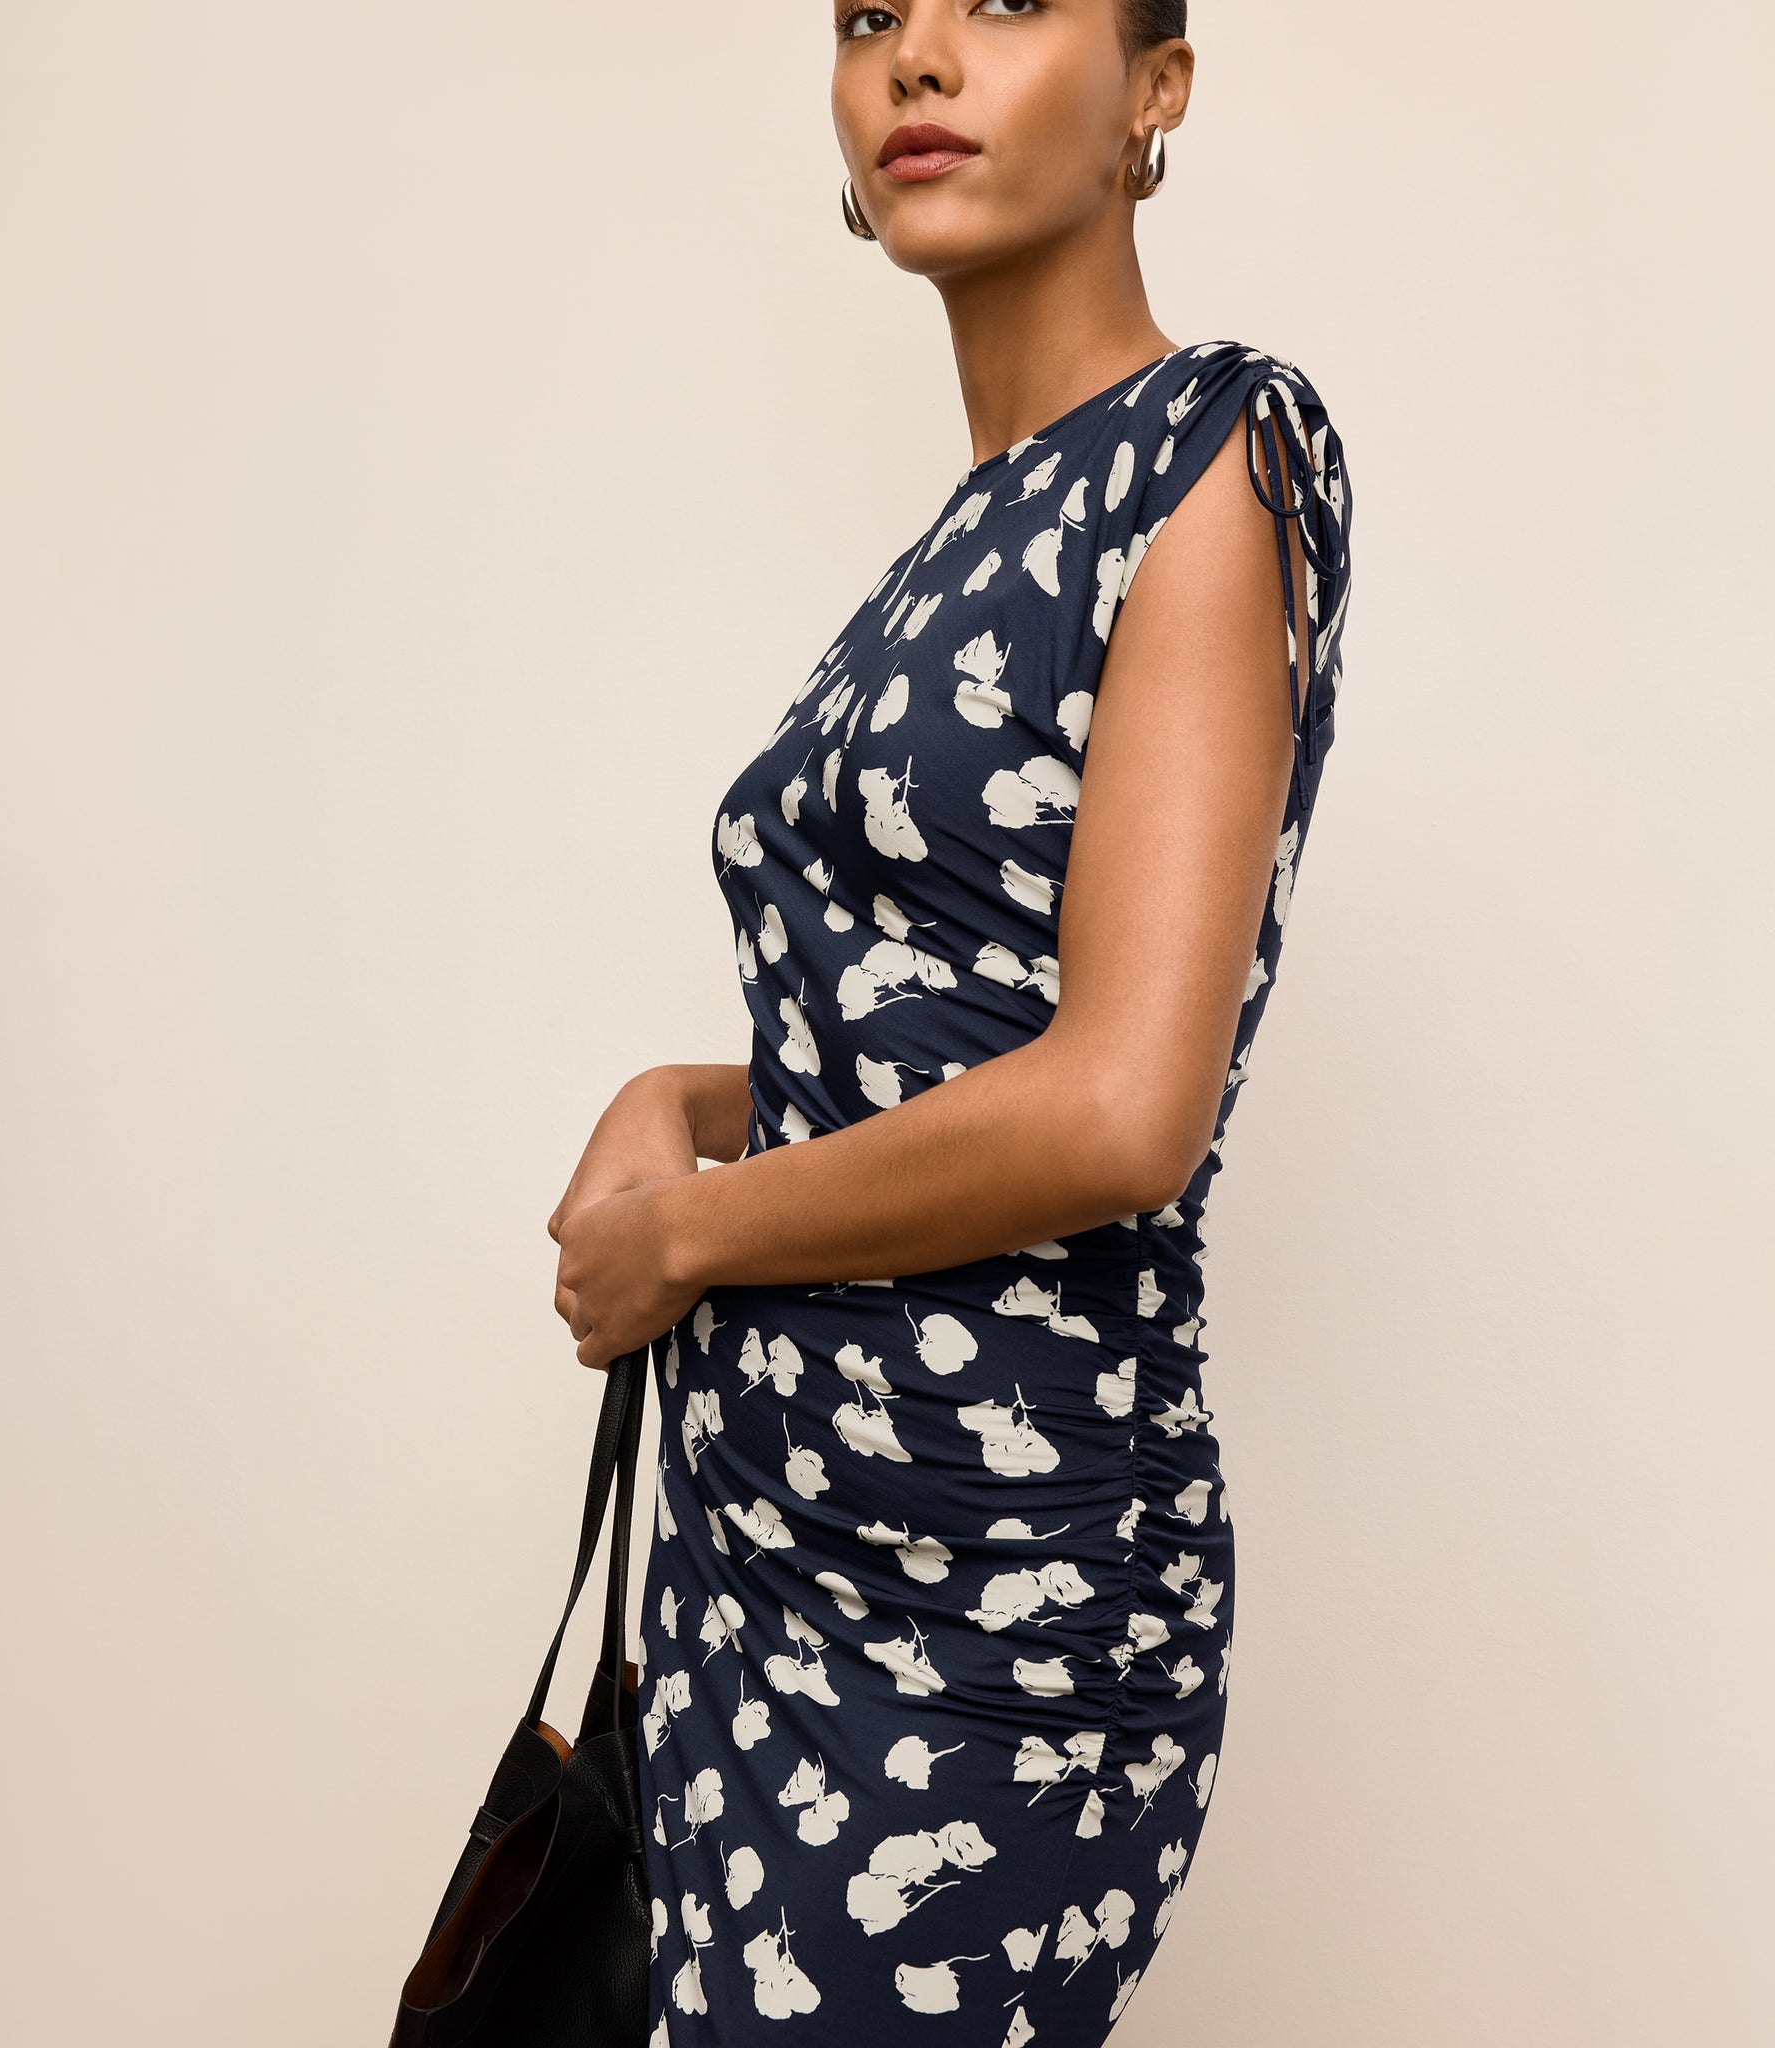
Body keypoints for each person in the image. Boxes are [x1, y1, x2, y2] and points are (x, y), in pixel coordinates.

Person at [548, 3, 1353, 2039]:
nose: (917, 60)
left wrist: (694, 1230)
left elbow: (1115, 1105)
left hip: (986, 1604)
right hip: (766, 1553)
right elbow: (953, 1011)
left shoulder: (1212, 454)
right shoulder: (962, 534)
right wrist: (682, 1092)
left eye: (1001, 1)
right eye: (867, 17)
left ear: (1157, 87)